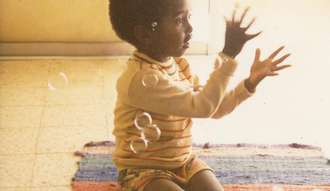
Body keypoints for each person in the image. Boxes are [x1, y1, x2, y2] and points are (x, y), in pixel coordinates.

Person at [109, 0, 291, 190]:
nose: (190, 28)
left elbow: (215, 108)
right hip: (143, 170)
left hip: (184, 162)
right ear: (145, 34)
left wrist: (249, 83)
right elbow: (203, 106)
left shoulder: (179, 65)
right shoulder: (140, 79)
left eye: (189, 17)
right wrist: (228, 55)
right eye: (179, 20)